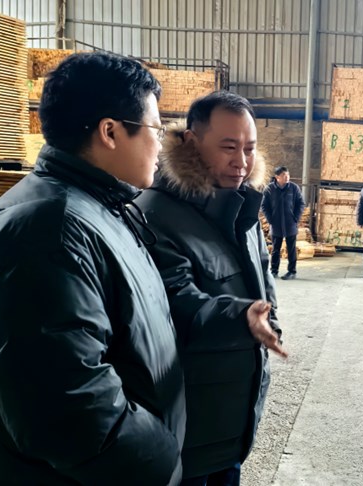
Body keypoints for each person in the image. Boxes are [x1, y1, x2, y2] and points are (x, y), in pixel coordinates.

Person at [0, 52, 186, 484]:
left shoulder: (95, 208)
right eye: (155, 129)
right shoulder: (49, 232)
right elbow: (68, 413)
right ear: (110, 132)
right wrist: (162, 454)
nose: (160, 144)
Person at [136, 91, 287, 486]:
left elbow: (263, 281)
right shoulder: (155, 214)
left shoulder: (242, 208)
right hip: (187, 428)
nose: (242, 162)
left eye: (250, 148)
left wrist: (267, 317)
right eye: (228, 147)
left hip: (232, 422)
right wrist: (242, 318)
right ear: (191, 141)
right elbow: (175, 303)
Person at [262, 166, 305, 280]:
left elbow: (301, 203)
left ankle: (292, 271)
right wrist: (270, 219)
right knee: (275, 249)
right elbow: (264, 205)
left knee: (291, 249)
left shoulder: (294, 188)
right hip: (276, 223)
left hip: (290, 223)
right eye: (284, 175)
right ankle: (274, 271)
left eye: (288, 175)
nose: (287, 177)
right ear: (277, 177)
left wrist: (295, 218)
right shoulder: (270, 189)